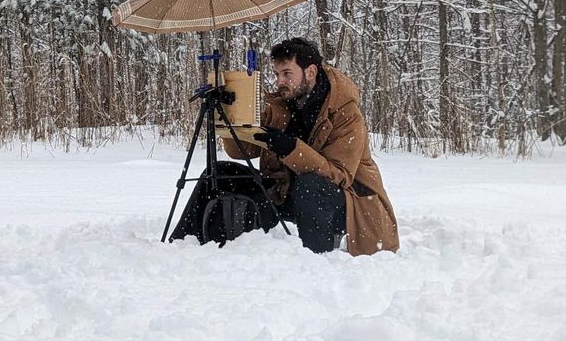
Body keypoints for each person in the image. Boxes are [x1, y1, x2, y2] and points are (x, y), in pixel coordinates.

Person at [171, 37, 399, 255]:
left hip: (351, 206)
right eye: (277, 74)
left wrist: (291, 149)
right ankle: (181, 246)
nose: (280, 81)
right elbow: (244, 152)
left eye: (287, 74)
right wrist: (230, 117)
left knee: (310, 185)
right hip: (288, 191)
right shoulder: (282, 104)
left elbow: (338, 176)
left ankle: (315, 261)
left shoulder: (346, 113)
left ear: (310, 72)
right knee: (222, 172)